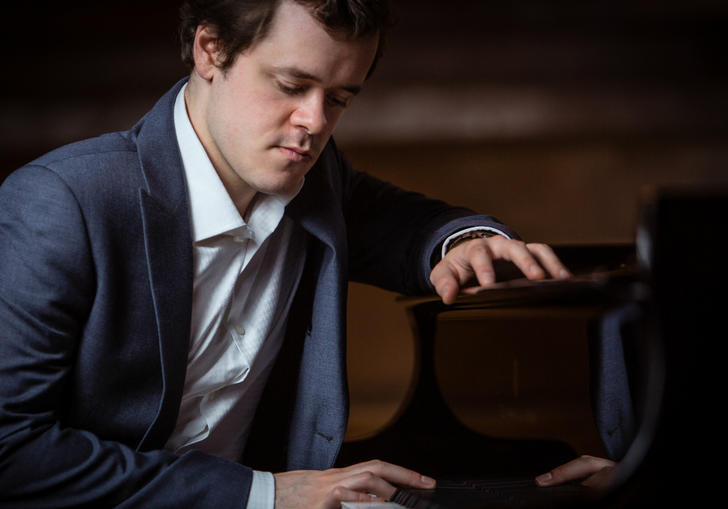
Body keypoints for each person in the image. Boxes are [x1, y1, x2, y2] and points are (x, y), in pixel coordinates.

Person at [0, 1, 572, 507]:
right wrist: (267, 495)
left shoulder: (319, 182)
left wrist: (466, 241)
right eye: (291, 86)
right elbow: (11, 451)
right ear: (210, 49)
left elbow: (412, 225)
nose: (315, 124)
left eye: (340, 98)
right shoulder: (61, 202)